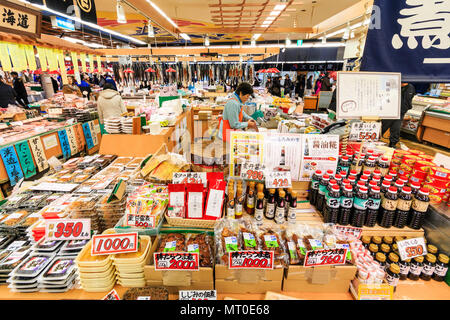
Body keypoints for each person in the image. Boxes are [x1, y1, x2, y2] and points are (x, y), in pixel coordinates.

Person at [382, 83, 416, 148]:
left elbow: (410, 99)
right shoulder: (393, 85)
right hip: (389, 111)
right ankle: (374, 140)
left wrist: (406, 108)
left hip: (401, 112)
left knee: (396, 128)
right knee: (383, 127)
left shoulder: (411, 87)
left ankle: (393, 144)